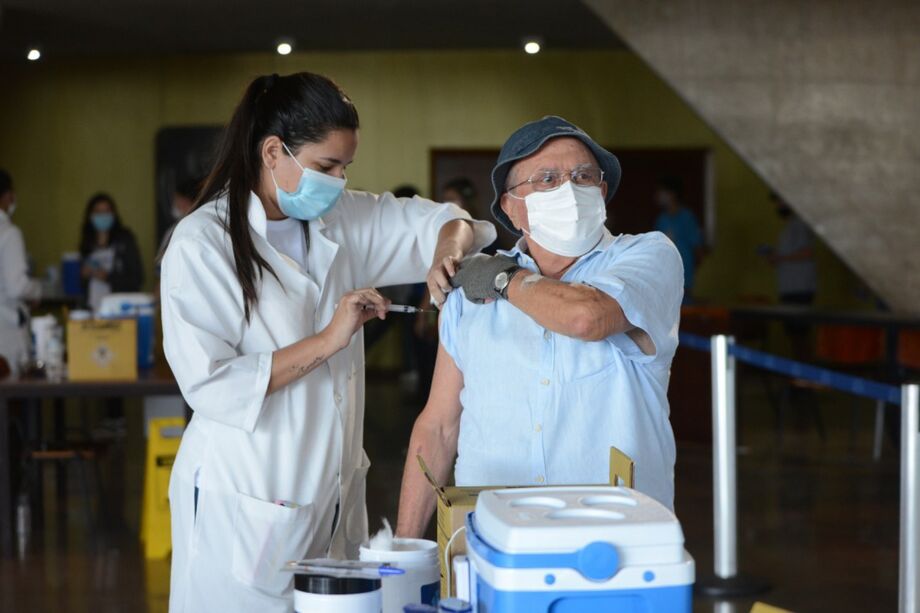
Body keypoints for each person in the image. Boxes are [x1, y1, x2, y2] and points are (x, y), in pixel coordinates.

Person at [159, 72, 494, 613]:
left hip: (332, 497)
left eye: (345, 168)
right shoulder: (202, 245)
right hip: (246, 498)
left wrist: (443, 255)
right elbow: (212, 384)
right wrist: (328, 339)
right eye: (325, 167)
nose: (338, 182)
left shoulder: (341, 219)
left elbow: (452, 221)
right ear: (273, 152)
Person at [396, 116, 684, 539]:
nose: (569, 189)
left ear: (601, 193)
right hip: (493, 540)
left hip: (616, 542)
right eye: (547, 179)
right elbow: (438, 427)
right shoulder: (470, 297)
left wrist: (503, 279)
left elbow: (587, 317)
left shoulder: (648, 256)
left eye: (583, 177)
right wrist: (406, 545)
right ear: (511, 207)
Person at [0, 169, 41, 377]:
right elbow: (17, 287)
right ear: (8, 196)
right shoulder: (9, 233)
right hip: (6, 332)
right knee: (12, 400)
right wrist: (37, 290)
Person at [78, 192, 144, 312]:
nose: (102, 216)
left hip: (119, 310)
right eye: (98, 212)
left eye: (106, 211)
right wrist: (83, 275)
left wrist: (107, 277)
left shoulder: (125, 240)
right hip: (92, 309)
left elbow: (137, 279)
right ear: (90, 216)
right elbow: (80, 286)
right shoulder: (87, 244)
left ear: (113, 214)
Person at [653, 175, 703, 302]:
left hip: (685, 279)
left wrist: (690, 273)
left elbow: (698, 250)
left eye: (662, 191)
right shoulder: (661, 220)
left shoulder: (687, 218)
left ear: (672, 194)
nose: (659, 195)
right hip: (664, 279)